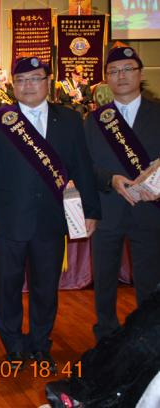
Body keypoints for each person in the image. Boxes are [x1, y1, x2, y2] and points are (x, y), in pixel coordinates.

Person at [0, 56, 100, 373]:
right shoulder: (0, 120)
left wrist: (91, 211)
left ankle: (40, 344)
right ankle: (13, 344)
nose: (28, 85)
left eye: (35, 78)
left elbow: (83, 168)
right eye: (21, 80)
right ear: (13, 85)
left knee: (46, 288)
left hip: (50, 220)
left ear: (48, 82)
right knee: (7, 286)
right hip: (8, 220)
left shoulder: (69, 120)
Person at [84, 43, 160, 342]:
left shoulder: (158, 113)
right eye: (114, 71)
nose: (122, 75)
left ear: (140, 73)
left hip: (150, 210)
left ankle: (148, 339)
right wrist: (111, 179)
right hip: (108, 209)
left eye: (128, 69)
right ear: (106, 79)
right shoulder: (95, 120)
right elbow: (85, 165)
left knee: (150, 280)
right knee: (104, 279)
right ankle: (106, 336)